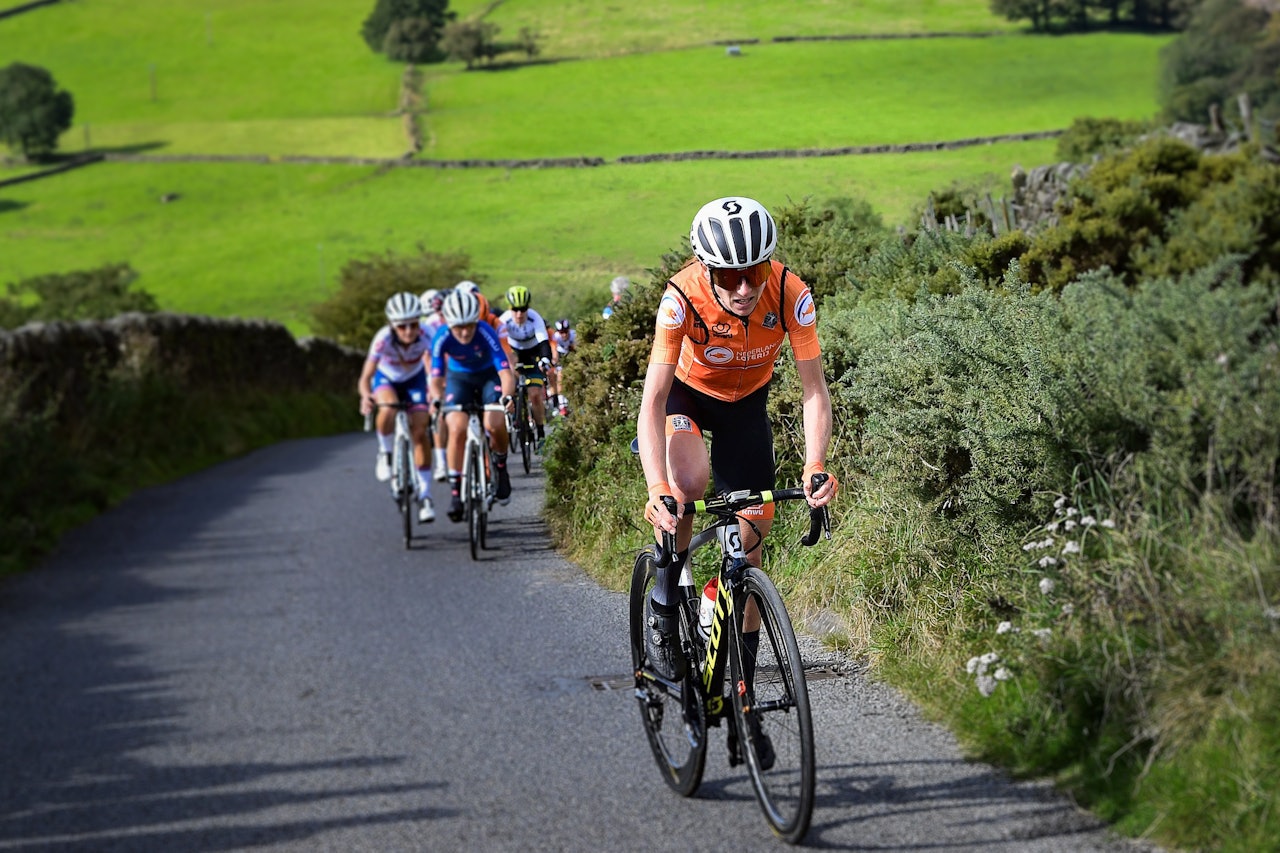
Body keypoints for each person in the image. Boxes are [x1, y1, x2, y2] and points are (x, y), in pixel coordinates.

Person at [636, 197, 838, 763]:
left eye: (753, 272)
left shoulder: (792, 293)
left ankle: (743, 704)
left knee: (750, 546)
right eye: (729, 275)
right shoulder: (680, 298)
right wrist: (657, 487)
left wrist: (815, 464)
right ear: (706, 269)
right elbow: (651, 401)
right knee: (691, 484)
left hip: (746, 406)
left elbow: (813, 391)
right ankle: (663, 595)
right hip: (688, 401)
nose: (744, 287)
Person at [429, 288, 517, 523]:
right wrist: (436, 399)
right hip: (459, 380)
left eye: (469, 325)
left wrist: (507, 397)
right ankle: (456, 493)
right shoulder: (441, 337)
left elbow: (505, 373)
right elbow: (436, 378)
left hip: (489, 376)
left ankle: (500, 467)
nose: (466, 332)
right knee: (456, 427)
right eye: (459, 327)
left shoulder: (485, 331)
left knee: (494, 422)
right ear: (448, 323)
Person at [358, 292, 438, 523]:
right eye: (402, 326)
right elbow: (366, 376)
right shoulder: (382, 338)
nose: (409, 331)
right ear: (392, 325)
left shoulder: (428, 334)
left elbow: (437, 368)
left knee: (420, 429)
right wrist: (365, 396)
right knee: (388, 409)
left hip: (415, 380)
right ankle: (386, 453)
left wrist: (434, 391)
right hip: (387, 379)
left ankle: (425, 495)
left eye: (413, 324)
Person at [495, 285, 556, 451]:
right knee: (510, 381)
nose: (519, 314)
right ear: (510, 308)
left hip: (532, 353)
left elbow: (544, 343)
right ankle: (515, 414)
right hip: (513, 352)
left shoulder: (535, 318)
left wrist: (545, 359)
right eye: (515, 310)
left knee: (535, 395)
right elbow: (496, 345)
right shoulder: (503, 320)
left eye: (523, 309)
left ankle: (541, 433)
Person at [420, 287, 450, 479]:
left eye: (444, 311)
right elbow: (426, 356)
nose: (441, 316)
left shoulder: (462, 322)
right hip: (438, 373)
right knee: (438, 414)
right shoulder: (431, 325)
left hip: (458, 372)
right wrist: (433, 381)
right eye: (438, 311)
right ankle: (440, 463)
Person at [549, 317, 576, 416]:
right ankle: (562, 405)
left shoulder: (574, 335)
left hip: (573, 357)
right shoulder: (555, 337)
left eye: (565, 331)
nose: (564, 334)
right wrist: (554, 361)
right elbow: (554, 352)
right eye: (561, 332)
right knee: (560, 377)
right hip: (561, 358)